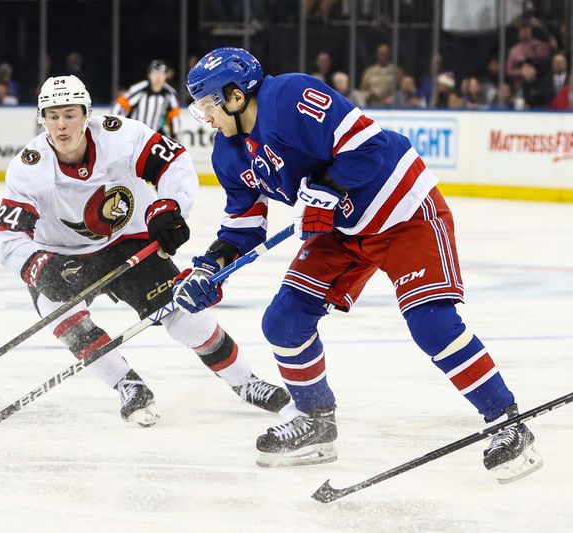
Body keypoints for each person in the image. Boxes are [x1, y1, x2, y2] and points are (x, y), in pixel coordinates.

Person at [177, 47, 542, 482]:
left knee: (431, 322)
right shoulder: (229, 154)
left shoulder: (290, 95)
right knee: (284, 321)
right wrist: (211, 268)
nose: (205, 116)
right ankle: (316, 422)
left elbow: (367, 147)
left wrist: (327, 187)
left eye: (208, 104)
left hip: (401, 209)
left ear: (236, 96)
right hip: (342, 229)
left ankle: (506, 421)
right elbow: (243, 227)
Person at [0, 75, 289, 426]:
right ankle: (126, 383)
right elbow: (7, 235)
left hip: (127, 241)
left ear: (87, 114)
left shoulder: (121, 136)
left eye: (70, 114)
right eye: (52, 115)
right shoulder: (28, 168)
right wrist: (37, 264)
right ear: (42, 118)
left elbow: (174, 161)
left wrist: (169, 207)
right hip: (62, 255)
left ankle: (245, 381)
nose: (61, 124)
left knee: (182, 315)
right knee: (58, 311)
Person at [109, 60, 182, 140]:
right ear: (149, 75)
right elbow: (119, 105)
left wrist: (175, 136)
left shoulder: (169, 93)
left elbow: (174, 116)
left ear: (165, 75)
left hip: (154, 136)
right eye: (155, 74)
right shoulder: (139, 89)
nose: (158, 77)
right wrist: (117, 128)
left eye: (161, 74)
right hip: (135, 134)